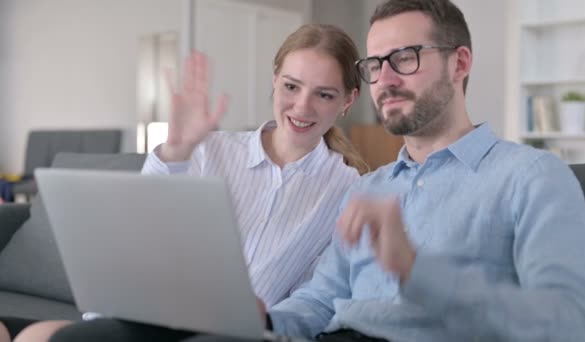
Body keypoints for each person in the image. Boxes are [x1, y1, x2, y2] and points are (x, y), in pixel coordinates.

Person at [49, 0, 585, 341]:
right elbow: (318, 300)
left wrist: (419, 271)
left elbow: (575, 326)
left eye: (405, 58)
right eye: (377, 63)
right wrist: (263, 317)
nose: (387, 77)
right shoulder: (370, 188)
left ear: (459, 63)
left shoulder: (532, 177)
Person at [0, 23, 367, 342]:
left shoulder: (347, 188)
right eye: (291, 86)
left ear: (348, 100)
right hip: (148, 315)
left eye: (324, 94)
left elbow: (319, 295)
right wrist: (175, 152)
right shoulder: (212, 149)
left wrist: (267, 320)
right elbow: (138, 229)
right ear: (275, 79)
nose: (302, 107)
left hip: (228, 335)